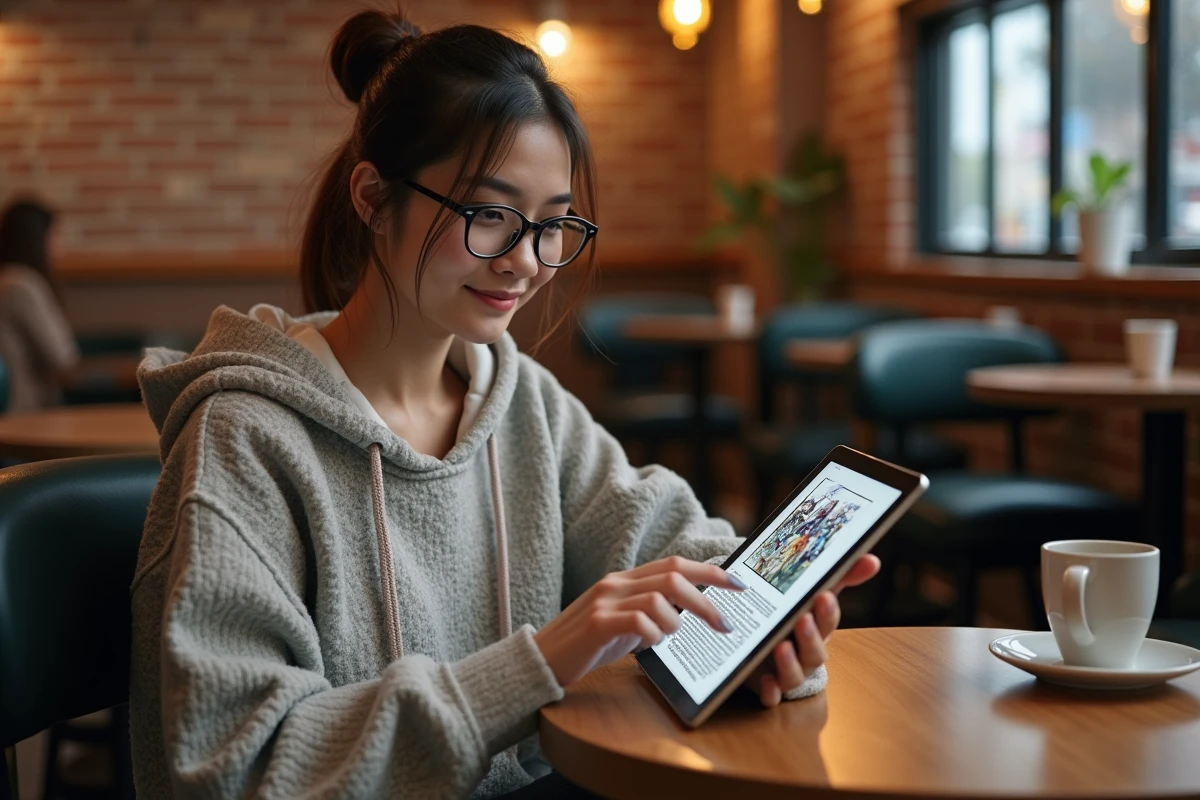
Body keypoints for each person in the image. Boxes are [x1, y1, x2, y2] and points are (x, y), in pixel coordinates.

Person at [129, 11, 880, 799]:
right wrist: (540, 663)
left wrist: (766, 632)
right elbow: (231, 769)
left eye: (554, 224)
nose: (527, 261)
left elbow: (666, 542)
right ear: (373, 197)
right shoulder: (244, 436)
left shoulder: (521, 402)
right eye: (490, 214)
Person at [0, 198, 80, 411]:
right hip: (26, 412)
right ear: (36, 239)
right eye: (54, 235)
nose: (59, 244)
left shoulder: (7, 279)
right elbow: (63, 357)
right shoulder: (22, 285)